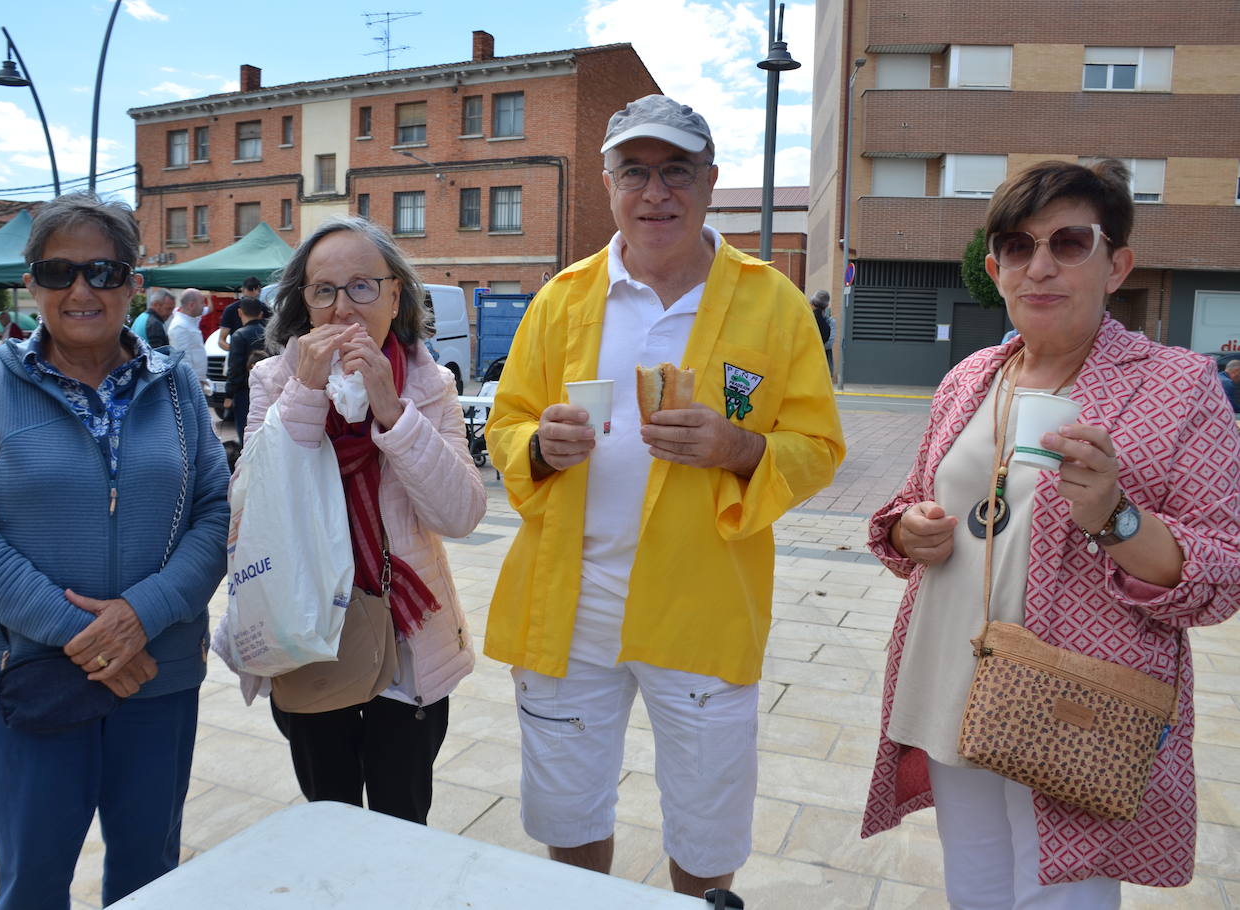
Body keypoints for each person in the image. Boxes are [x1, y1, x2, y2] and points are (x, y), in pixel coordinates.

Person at [483, 94, 845, 899]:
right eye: (635, 173)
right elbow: (505, 424)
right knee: (570, 813)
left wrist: (739, 447)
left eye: (676, 171)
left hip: (704, 606)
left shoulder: (772, 301)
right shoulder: (562, 297)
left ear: (710, 181)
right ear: (609, 185)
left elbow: (818, 447)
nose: (657, 193)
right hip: (569, 607)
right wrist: (538, 447)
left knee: (707, 821)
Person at [861, 160, 1240, 906]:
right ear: (995, 266)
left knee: (1060, 894)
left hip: (1072, 699)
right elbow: (910, 502)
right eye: (1017, 245)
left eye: (1069, 243)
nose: (1039, 266)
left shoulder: (1179, 385)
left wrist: (1115, 518)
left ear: (1116, 264)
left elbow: (1224, 570)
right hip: (950, 670)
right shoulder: (971, 376)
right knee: (974, 879)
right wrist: (908, 531)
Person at [0, 193, 230, 908]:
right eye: (57, 270)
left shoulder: (177, 383)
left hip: (156, 676)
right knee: (33, 881)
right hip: (39, 674)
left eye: (102, 270)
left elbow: (216, 514)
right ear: (30, 284)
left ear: (134, 283)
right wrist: (88, 638)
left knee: (148, 876)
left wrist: (141, 616)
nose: (80, 290)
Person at [233, 215, 484, 823]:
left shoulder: (431, 384)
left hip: (407, 640)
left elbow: (461, 514)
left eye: (362, 287)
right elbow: (245, 509)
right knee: (330, 816)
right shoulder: (273, 379)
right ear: (305, 303)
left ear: (395, 293)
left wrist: (393, 412)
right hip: (309, 631)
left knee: (404, 818)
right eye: (325, 291)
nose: (344, 308)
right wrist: (306, 395)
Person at [224, 295, 266, 443]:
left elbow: (235, 368)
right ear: (261, 314)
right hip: (268, 388)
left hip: (244, 391)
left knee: (246, 432)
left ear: (240, 313)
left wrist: (229, 394)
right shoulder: (269, 333)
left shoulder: (239, 335)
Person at [168, 288, 209, 393]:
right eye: (202, 303)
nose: (204, 306)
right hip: (190, 385)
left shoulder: (189, 321)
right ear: (191, 305)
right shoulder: (180, 326)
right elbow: (183, 360)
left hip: (196, 382)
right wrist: (194, 384)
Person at [216, 275, 266, 351]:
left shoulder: (265, 308)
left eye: (255, 290)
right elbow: (221, 341)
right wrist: (237, 350)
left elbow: (221, 341)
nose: (253, 292)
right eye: (250, 289)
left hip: (260, 355)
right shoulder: (231, 309)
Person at [810, 289, 835, 375]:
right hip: (820, 363)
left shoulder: (810, 318)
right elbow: (829, 343)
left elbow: (829, 344)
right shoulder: (830, 322)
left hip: (817, 361)